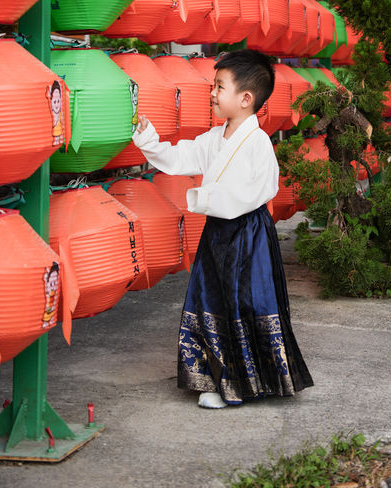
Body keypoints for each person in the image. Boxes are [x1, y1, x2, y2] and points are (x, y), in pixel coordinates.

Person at [133, 49, 313, 409]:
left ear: (246, 99)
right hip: (218, 233)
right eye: (213, 86)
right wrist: (149, 139)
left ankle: (238, 386)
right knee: (211, 300)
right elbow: (181, 156)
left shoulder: (258, 143)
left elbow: (258, 192)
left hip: (247, 235)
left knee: (241, 303)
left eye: (219, 86)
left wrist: (202, 198)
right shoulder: (216, 138)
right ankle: (218, 376)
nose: (212, 93)